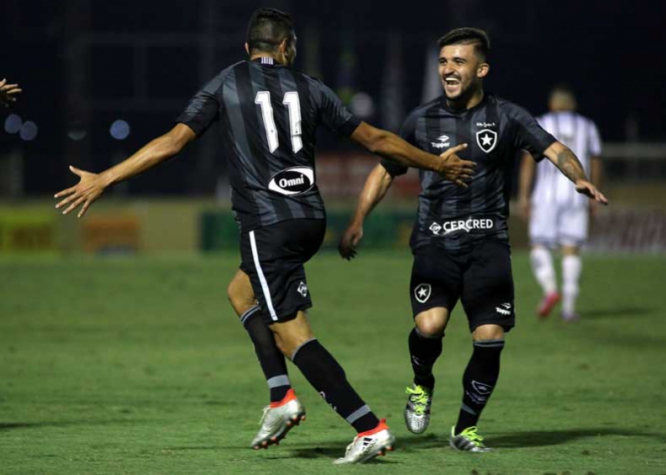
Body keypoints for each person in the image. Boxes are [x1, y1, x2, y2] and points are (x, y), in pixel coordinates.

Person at [54, 8, 474, 465]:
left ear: (247, 48)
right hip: (308, 219)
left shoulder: (226, 83)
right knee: (240, 292)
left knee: (293, 337)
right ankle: (280, 397)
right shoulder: (311, 86)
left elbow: (173, 142)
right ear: (287, 47)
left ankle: (367, 426)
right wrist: (434, 163)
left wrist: (106, 178)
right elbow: (375, 139)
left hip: (267, 223)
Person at [339, 28, 607, 453]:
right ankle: (421, 384)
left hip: (488, 243)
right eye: (444, 61)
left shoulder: (507, 117)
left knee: (489, 336)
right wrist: (358, 219)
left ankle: (465, 429)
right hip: (435, 240)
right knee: (430, 325)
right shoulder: (421, 119)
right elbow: (385, 169)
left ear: (481, 69)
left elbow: (554, 149)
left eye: (458, 62)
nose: (448, 69)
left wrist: (580, 178)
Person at [518, 85, 603, 321]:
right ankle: (569, 308)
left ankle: (550, 290)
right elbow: (595, 161)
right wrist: (594, 190)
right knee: (571, 248)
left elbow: (528, 163)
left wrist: (524, 195)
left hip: (545, 196)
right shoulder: (587, 126)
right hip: (577, 194)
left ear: (552, 104)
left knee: (538, 244)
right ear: (573, 105)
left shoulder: (540, 123)